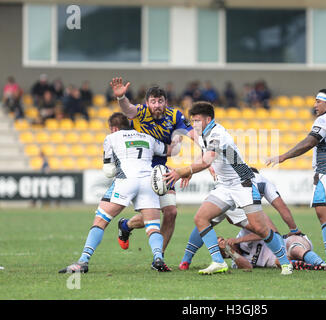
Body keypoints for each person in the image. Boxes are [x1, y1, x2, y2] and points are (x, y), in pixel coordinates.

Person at [164, 101, 293, 275]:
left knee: (260, 228)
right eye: (192, 120)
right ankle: (218, 261)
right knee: (201, 218)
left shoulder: (218, 133)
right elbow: (205, 156)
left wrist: (182, 171)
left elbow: (207, 159)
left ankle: (285, 263)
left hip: (243, 183)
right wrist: (191, 171)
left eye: (197, 120)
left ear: (208, 119)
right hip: (225, 186)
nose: (194, 124)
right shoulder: (204, 134)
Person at [58, 112, 174, 273]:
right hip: (149, 181)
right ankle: (158, 259)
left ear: (113, 128)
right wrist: (177, 137)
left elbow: (108, 169)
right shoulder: (147, 137)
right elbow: (170, 150)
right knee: (153, 226)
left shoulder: (111, 138)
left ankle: (83, 262)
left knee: (100, 221)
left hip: (126, 180)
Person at [266, 88, 326, 268]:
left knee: (325, 216)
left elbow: (310, 142)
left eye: (319, 101)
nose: (315, 105)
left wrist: (283, 157)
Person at [109, 77, 195, 271]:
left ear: (165, 102)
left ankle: (159, 258)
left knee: (171, 212)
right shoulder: (140, 112)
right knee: (153, 214)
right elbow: (127, 109)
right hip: (140, 170)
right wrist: (121, 96)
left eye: (160, 101)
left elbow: (190, 136)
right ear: (148, 103)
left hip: (161, 170)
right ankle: (128, 225)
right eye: (153, 101)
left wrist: (206, 153)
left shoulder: (174, 116)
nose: (157, 105)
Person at [178, 167, 302, 270]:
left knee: (203, 221)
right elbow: (282, 208)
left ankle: (186, 261)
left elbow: (210, 158)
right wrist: (293, 229)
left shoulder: (234, 169)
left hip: (222, 192)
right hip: (239, 197)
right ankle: (283, 260)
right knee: (266, 229)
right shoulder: (264, 182)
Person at [218, 228, 326, 271]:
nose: (226, 244)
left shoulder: (243, 234)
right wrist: (230, 251)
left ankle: (321, 264)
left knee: (295, 250)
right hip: (282, 260)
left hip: (289, 242)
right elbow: (248, 267)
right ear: (225, 255)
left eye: (223, 240)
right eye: (223, 249)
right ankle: (310, 267)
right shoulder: (236, 262)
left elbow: (265, 232)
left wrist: (239, 240)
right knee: (280, 262)